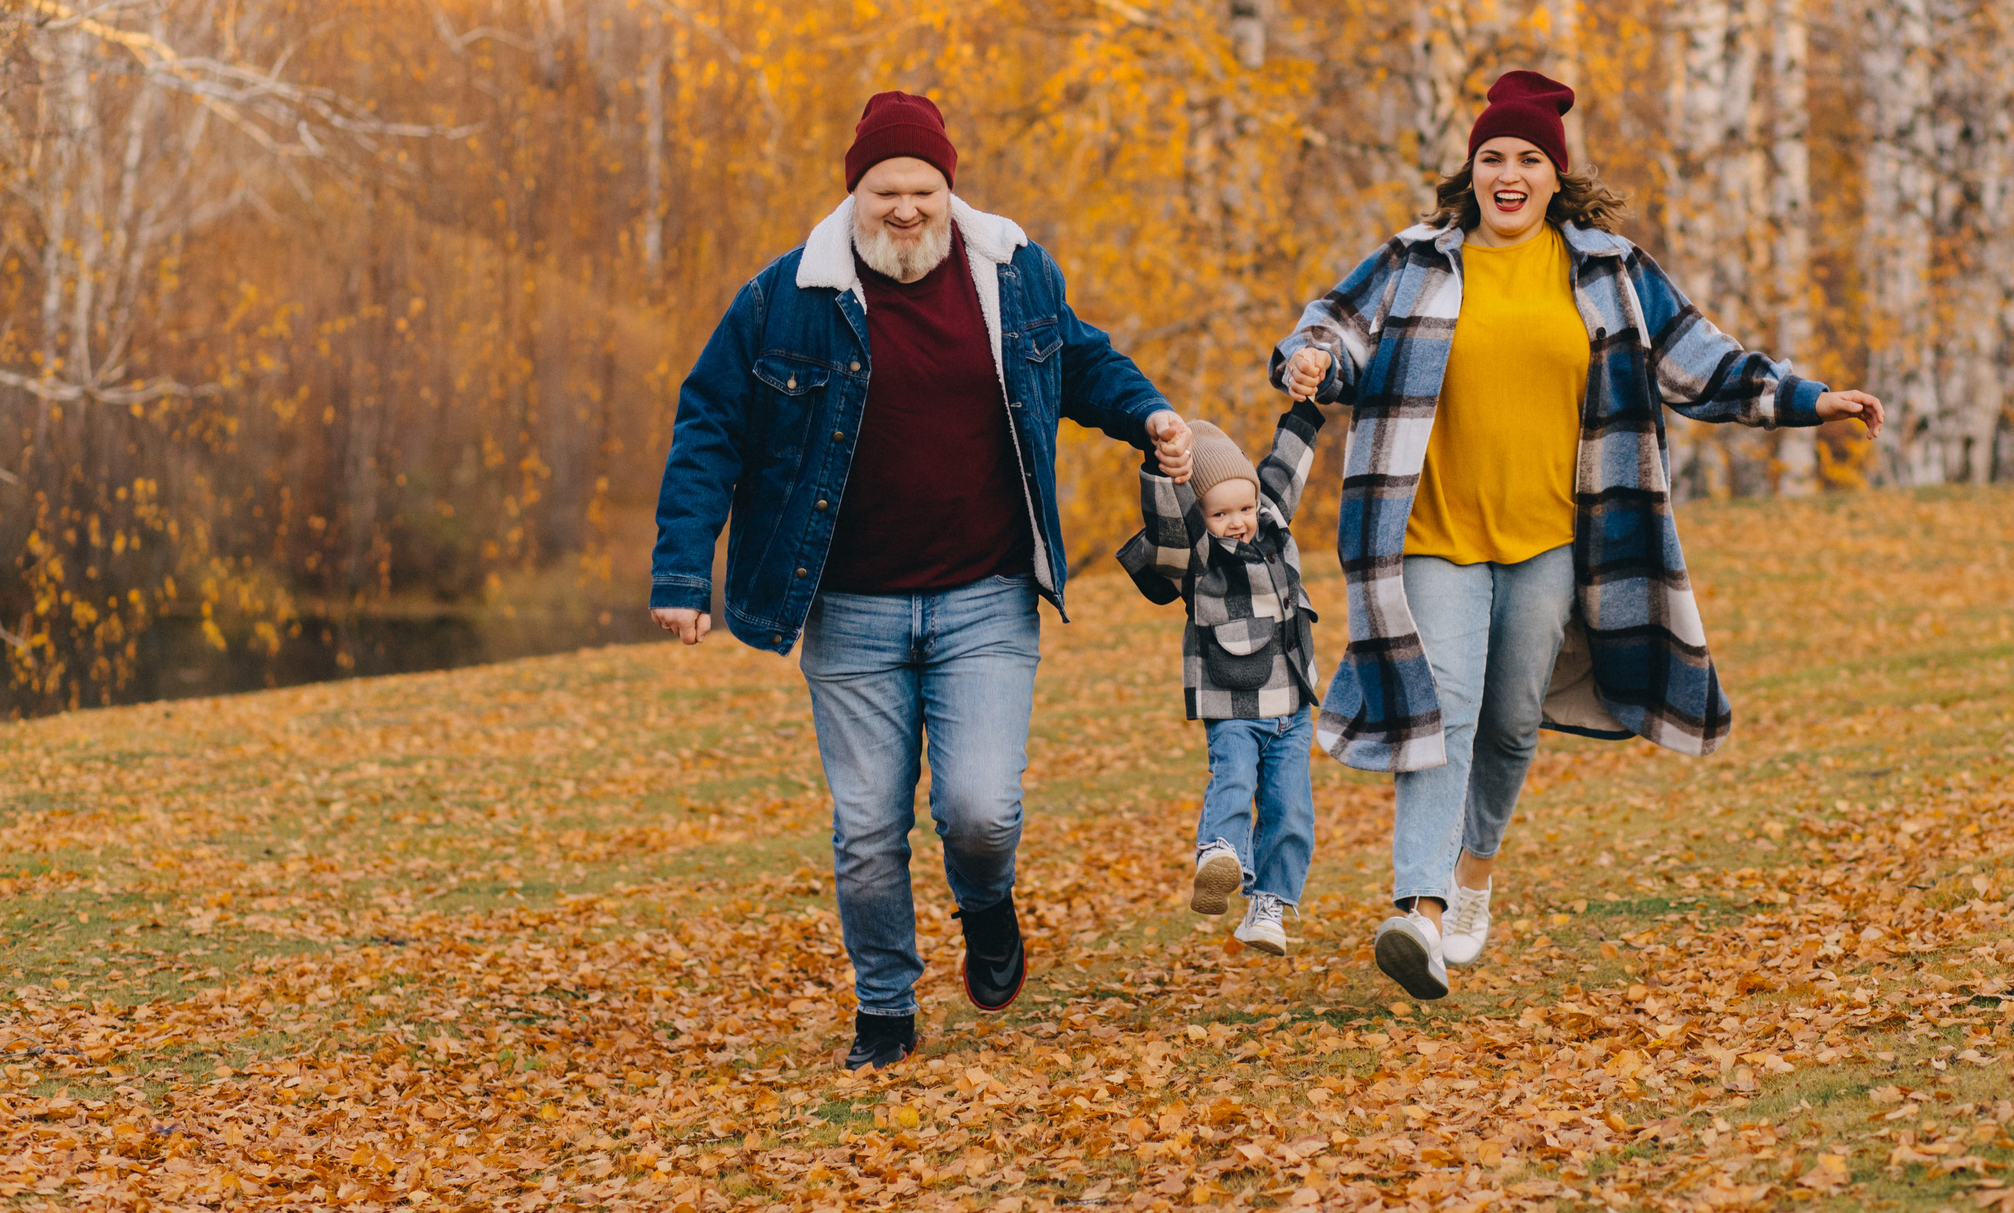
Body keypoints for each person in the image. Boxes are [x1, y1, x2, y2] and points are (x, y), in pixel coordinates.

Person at [1275, 70, 1884, 1001]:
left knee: (1513, 720)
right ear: (1470, 173)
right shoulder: (1414, 261)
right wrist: (1311, 358)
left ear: (1556, 176)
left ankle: (1473, 876)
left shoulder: (1609, 270)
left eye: (1527, 159)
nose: (1509, 174)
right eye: (1492, 158)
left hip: (1556, 540)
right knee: (1446, 708)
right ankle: (1422, 915)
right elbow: (1335, 330)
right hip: (1432, 530)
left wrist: (1806, 400)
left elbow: (1703, 362)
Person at [648, 90, 1194, 1070]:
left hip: (984, 596)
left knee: (979, 813)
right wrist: (684, 571)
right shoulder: (785, 299)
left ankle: (986, 910)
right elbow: (709, 426)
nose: (905, 209)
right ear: (854, 191)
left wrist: (1146, 415)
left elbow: (1078, 359)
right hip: (850, 611)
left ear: (950, 189)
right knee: (866, 830)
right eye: (885, 190)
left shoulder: (1011, 277)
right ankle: (886, 1011)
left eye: (923, 189)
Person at [1116, 406, 1325, 955]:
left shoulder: (1271, 521)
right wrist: (1167, 473)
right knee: (1232, 777)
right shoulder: (1199, 554)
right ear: (1200, 517)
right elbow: (1170, 526)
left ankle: (1269, 908)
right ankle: (1220, 854)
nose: (1238, 521)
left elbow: (1286, 466)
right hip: (1233, 702)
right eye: (1220, 513)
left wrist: (1305, 406)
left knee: (1291, 810)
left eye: (1245, 507)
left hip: (1292, 706)